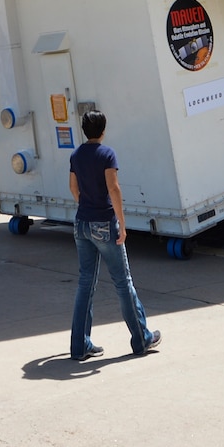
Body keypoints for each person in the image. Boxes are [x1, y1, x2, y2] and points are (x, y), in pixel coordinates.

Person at [68, 111, 160, 359]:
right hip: (103, 224)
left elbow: (73, 187)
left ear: (85, 129)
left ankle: (79, 345)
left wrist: (84, 205)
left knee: (85, 283)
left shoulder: (76, 155)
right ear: (103, 129)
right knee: (123, 282)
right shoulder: (107, 154)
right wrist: (121, 221)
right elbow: (113, 187)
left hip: (82, 224)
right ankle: (141, 339)